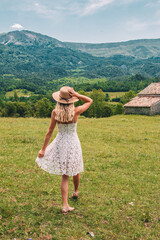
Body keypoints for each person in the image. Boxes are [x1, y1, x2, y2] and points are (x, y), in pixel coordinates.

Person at [35, 86, 93, 214]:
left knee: (65, 176)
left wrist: (43, 149)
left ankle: (65, 204)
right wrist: (77, 94)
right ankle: (75, 192)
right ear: (71, 99)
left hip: (61, 143)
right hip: (73, 143)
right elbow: (89, 101)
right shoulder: (76, 111)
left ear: (59, 100)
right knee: (75, 167)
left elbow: (49, 132)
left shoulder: (55, 112)